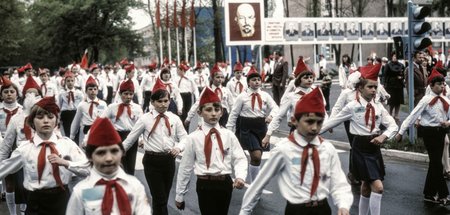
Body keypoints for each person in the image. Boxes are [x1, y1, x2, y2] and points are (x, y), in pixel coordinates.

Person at [240, 88, 353, 215]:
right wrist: (245, 211)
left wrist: (343, 204)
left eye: (319, 122)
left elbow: (339, 182)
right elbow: (259, 184)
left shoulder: (327, 149)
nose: (315, 127)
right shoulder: (285, 149)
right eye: (309, 121)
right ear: (295, 121)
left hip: (322, 208)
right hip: (297, 209)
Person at [320, 67, 398, 215]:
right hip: (360, 147)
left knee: (366, 187)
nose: (374, 90)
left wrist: (384, 136)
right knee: (378, 187)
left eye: (375, 87)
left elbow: (393, 125)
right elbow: (333, 121)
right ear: (360, 88)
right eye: (370, 87)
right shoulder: (352, 106)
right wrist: (310, 134)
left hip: (374, 148)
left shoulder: (378, 106)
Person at [0, 97, 89, 215]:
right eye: (40, 117)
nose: (46, 121)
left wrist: (67, 164)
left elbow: (88, 170)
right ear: (32, 122)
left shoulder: (67, 145)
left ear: (56, 121)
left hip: (62, 201)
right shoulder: (25, 149)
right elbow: (3, 169)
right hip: (35, 204)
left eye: (50, 117)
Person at [175, 87, 247, 215]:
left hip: (225, 183)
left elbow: (240, 158)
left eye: (217, 109)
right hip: (205, 184)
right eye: (208, 110)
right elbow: (185, 167)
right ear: (200, 112)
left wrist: (240, 176)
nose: (213, 113)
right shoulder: (193, 138)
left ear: (222, 112)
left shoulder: (228, 135)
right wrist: (180, 195)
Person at [122, 78, 187, 215]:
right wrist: (117, 153)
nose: (163, 105)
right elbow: (130, 139)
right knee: (159, 198)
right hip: (152, 161)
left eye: (166, 101)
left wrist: (179, 147)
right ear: (152, 102)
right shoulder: (145, 118)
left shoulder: (174, 118)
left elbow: (185, 138)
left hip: (169, 160)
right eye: (159, 101)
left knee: (163, 197)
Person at [66, 117, 151, 215]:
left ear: (122, 152)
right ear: (90, 156)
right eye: (101, 153)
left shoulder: (134, 186)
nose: (109, 158)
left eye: (114, 151)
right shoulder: (82, 191)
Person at [396, 69, 450, 205]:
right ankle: (444, 195)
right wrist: (401, 132)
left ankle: (429, 193)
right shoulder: (426, 100)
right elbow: (413, 115)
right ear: (431, 86)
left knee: (434, 163)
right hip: (429, 133)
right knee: (437, 163)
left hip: (441, 132)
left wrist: (448, 122)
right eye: (438, 84)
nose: (442, 86)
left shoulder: (445, 99)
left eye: (443, 84)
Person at [226, 67, 278, 183]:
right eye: (253, 80)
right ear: (248, 82)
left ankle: (254, 178)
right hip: (246, 127)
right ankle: (255, 184)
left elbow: (275, 107)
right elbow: (234, 114)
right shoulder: (242, 97)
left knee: (257, 158)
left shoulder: (265, 95)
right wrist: (229, 131)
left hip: (261, 126)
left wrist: (271, 116)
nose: (257, 82)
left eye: (258, 80)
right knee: (256, 156)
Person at [101, 79, 143, 175]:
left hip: (132, 137)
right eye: (126, 94)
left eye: (131, 94)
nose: (128, 97)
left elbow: (140, 125)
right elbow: (101, 121)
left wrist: (140, 138)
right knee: (119, 164)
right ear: (120, 94)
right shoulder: (112, 107)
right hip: (117, 137)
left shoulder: (137, 108)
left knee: (131, 164)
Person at [0, 77, 23, 215]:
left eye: (12, 91)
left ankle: (24, 210)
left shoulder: (22, 111)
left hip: (18, 148)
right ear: (1, 94)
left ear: (17, 94)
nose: (9, 94)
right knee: (9, 183)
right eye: (6, 92)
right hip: (2, 147)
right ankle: (12, 213)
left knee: (23, 182)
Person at [70, 76, 107, 145]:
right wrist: (72, 135)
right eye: (90, 89)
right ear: (86, 91)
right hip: (86, 130)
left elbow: (107, 119)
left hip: (99, 129)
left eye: (95, 89)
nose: (93, 91)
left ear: (97, 91)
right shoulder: (82, 105)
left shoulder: (103, 104)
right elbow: (76, 121)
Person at [58, 70, 83, 137]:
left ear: (75, 81)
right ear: (65, 82)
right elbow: (59, 105)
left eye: (72, 81)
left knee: (76, 133)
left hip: (75, 113)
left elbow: (82, 105)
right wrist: (59, 116)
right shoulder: (62, 93)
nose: (70, 83)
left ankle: (76, 146)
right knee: (67, 132)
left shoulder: (79, 92)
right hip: (66, 114)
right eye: (68, 81)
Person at [174, 63, 199, 130]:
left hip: (187, 96)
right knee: (180, 113)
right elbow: (174, 89)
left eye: (178, 70)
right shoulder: (176, 79)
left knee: (187, 113)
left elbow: (195, 88)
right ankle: (181, 128)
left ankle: (186, 128)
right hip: (180, 96)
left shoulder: (190, 79)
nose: (177, 72)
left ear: (182, 71)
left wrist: (197, 97)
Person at [384, 53, 405, 122]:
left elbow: (404, 74)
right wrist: (385, 84)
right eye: (394, 56)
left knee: (398, 101)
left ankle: (396, 114)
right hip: (391, 85)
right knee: (391, 101)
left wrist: (401, 77)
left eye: (396, 56)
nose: (395, 57)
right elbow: (385, 75)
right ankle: (390, 113)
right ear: (392, 57)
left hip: (399, 85)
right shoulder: (388, 65)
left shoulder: (401, 65)